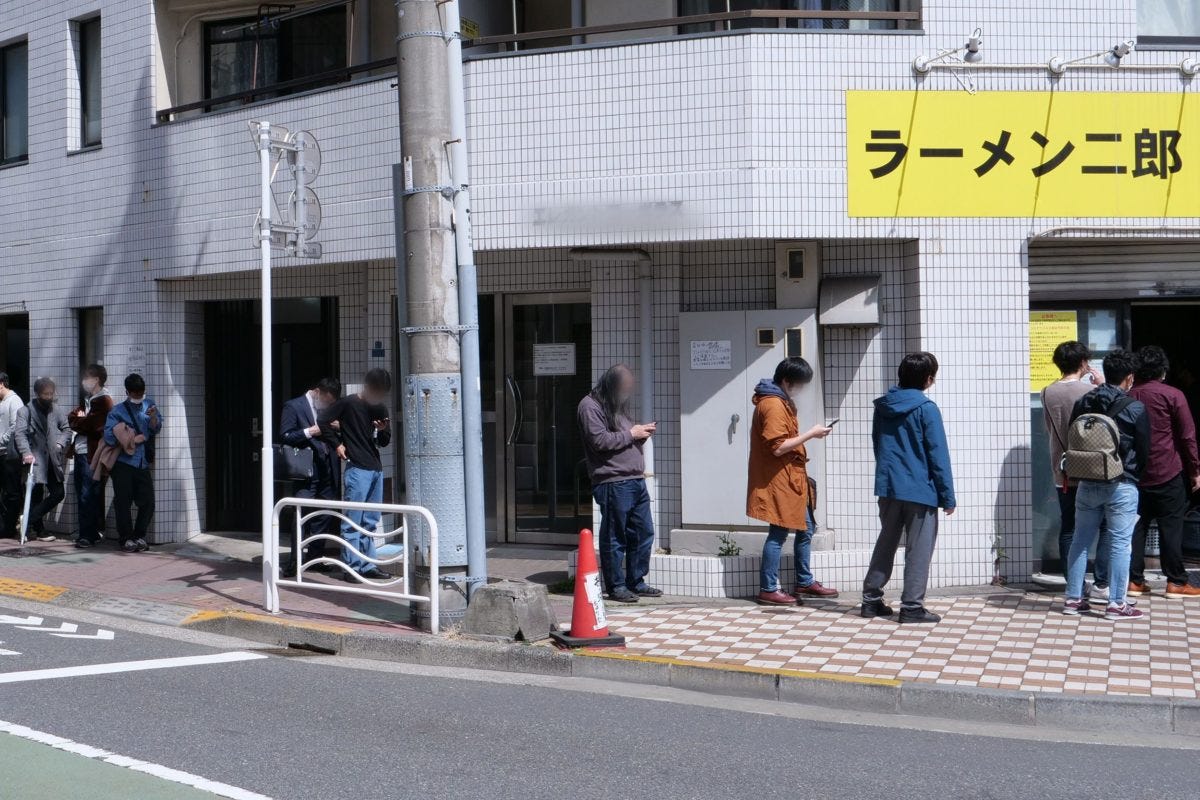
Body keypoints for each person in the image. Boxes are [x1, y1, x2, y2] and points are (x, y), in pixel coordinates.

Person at [862, 352, 955, 624]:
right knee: (919, 549)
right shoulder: (926, 409)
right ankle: (912, 607)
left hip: (889, 487)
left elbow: (878, 445)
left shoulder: (883, 406)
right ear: (928, 379)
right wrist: (947, 495)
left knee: (886, 543)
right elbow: (938, 455)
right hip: (920, 490)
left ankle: (871, 600)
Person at [1062, 349, 1150, 621]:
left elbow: (1072, 436)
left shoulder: (1084, 402)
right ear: (1130, 378)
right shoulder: (1135, 408)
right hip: (1121, 483)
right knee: (1120, 543)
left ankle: (1074, 599)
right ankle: (1116, 604)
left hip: (1087, 482)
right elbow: (1145, 448)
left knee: (1080, 540)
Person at [746, 357, 837, 606]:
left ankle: (804, 581)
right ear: (786, 381)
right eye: (799, 384)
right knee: (778, 531)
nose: (801, 389)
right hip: (779, 479)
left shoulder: (781, 401)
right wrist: (811, 434)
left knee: (806, 528)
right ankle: (768, 588)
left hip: (791, 478)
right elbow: (777, 447)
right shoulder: (773, 404)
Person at [577, 364, 661, 604]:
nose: (627, 394)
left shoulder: (616, 406)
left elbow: (624, 435)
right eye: (623, 389)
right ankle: (616, 586)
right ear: (611, 385)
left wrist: (640, 432)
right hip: (613, 480)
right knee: (615, 535)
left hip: (634, 479)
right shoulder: (589, 406)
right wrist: (632, 434)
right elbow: (599, 441)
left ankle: (636, 580)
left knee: (643, 532)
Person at [1127, 346, 1200, 598]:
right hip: (1169, 470)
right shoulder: (1173, 395)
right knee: (1172, 527)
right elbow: (1188, 436)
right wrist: (1195, 470)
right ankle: (1176, 582)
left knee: (1136, 526)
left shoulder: (1128, 396)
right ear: (1163, 371)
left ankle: (1134, 581)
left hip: (1134, 474)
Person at [1041, 341, 1110, 596]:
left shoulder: (1047, 392)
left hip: (1064, 471)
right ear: (1083, 363)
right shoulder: (1090, 391)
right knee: (1104, 525)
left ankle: (1074, 585)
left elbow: (1048, 429)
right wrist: (1101, 385)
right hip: (1093, 469)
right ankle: (1102, 582)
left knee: (1068, 527)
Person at [318, 368, 393, 581]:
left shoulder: (379, 407)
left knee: (369, 521)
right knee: (353, 521)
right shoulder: (348, 403)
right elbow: (323, 420)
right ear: (368, 387)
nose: (379, 396)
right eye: (378, 391)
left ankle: (368, 565)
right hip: (357, 469)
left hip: (375, 468)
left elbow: (383, 442)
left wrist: (384, 429)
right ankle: (352, 567)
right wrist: (337, 445)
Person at [279, 377, 342, 573]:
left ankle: (315, 558)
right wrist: (309, 432)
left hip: (328, 467)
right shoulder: (293, 406)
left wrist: (338, 427)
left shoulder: (329, 409)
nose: (326, 405)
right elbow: (286, 435)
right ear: (317, 391)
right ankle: (294, 562)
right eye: (325, 400)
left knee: (324, 514)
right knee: (302, 513)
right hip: (307, 470)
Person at [103, 374, 162, 552]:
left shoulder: (149, 404)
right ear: (127, 392)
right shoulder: (117, 411)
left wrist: (153, 418)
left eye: (141, 392)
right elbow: (109, 436)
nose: (139, 395)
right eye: (135, 393)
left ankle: (139, 535)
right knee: (123, 502)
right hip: (123, 463)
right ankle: (126, 538)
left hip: (142, 462)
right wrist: (132, 440)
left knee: (148, 502)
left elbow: (156, 428)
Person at [14, 377, 72, 542]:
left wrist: (60, 444)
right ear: (37, 393)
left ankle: (27, 519)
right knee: (35, 495)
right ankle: (39, 530)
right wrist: (26, 453)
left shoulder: (56, 409)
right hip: (35, 459)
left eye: (51, 394)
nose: (49, 397)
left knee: (58, 493)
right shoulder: (25, 411)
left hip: (52, 460)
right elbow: (20, 434)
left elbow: (67, 429)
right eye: (45, 394)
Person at [67, 364, 113, 548]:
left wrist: (80, 419)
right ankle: (91, 532)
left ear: (96, 380)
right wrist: (80, 419)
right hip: (81, 452)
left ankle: (86, 535)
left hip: (91, 454)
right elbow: (71, 418)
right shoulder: (89, 399)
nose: (83, 381)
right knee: (85, 493)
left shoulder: (103, 401)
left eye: (87, 377)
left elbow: (94, 426)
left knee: (87, 494)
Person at [0, 373, 23, 538]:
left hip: (9, 454)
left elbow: (16, 425)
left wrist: (1, 439)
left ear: (1, 384)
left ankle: (9, 528)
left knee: (11, 492)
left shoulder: (14, 401)